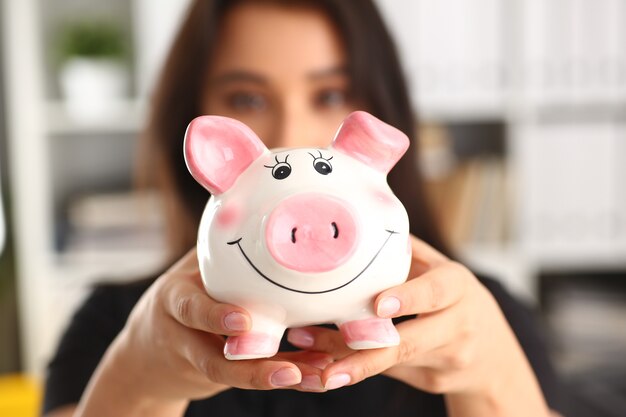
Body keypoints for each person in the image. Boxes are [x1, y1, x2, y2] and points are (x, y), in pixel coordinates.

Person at [43, 1, 566, 416]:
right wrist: (137, 381)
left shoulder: (484, 319)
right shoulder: (109, 326)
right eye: (247, 99)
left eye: (331, 93)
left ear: (378, 116)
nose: (290, 137)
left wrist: (493, 383)